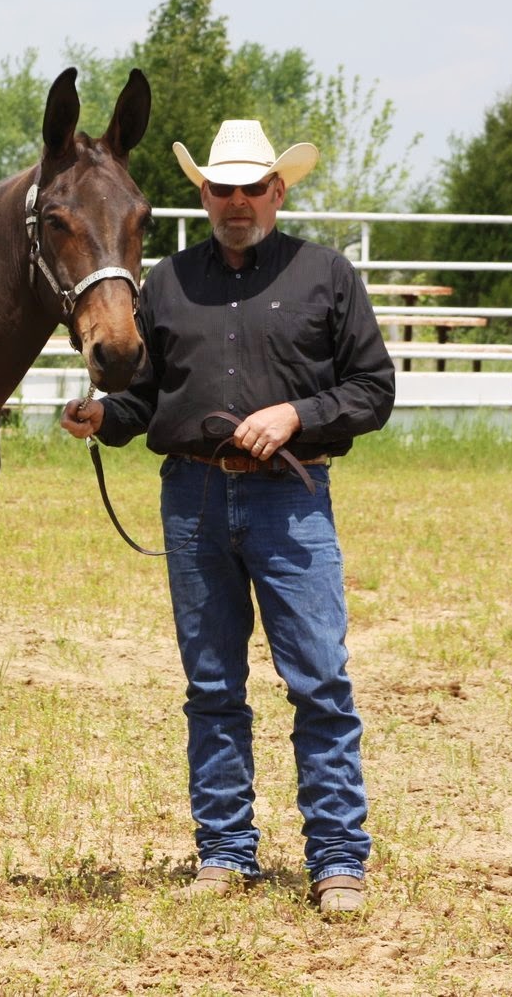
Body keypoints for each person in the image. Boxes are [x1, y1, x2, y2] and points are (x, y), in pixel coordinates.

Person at [60, 119, 395, 915]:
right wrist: (102, 417)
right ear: (202, 193)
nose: (237, 202)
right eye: (222, 188)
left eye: (252, 187)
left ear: (279, 190)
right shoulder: (167, 284)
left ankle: (338, 857)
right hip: (195, 497)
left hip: (292, 495)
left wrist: (296, 415)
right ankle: (223, 849)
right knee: (211, 683)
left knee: (318, 681)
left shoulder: (327, 276)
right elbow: (146, 400)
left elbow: (373, 390)